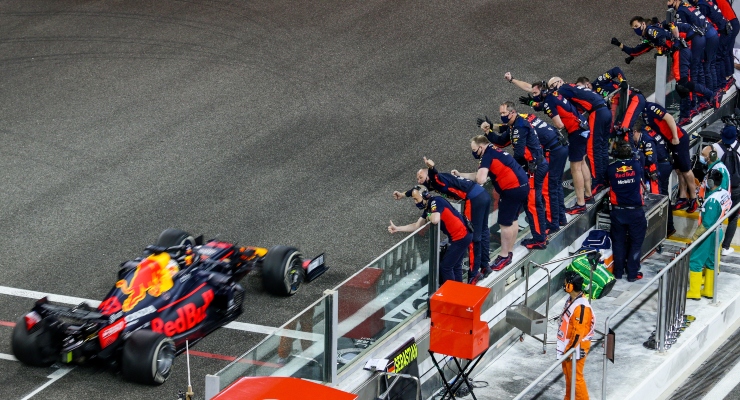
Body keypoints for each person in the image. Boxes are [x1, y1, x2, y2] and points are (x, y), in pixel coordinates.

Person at [393, 157, 492, 283]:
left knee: (473, 240)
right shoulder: (429, 200)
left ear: (428, 178)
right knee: (482, 232)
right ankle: (485, 266)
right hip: (482, 194)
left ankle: (474, 274)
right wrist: (402, 196)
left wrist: (431, 167)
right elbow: (416, 192)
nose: (419, 181)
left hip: (473, 200)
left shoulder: (436, 187)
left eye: (421, 178)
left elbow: (434, 217)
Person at [452, 136, 530, 271]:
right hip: (523, 185)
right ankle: (509, 251)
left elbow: (481, 179)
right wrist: (461, 174)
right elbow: (481, 174)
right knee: (514, 219)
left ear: (481, 147)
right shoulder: (495, 150)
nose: (473, 152)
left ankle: (504, 256)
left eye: (474, 149)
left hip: (511, 190)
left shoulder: (487, 156)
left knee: (505, 224)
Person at [487, 101, 549, 249]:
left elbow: (519, 154)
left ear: (513, 112)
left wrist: (509, 169)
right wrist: (487, 132)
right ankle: (541, 233)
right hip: (534, 166)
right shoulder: (514, 125)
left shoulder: (519, 127)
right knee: (534, 202)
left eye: (504, 113)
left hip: (535, 168)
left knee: (533, 203)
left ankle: (540, 239)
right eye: (500, 113)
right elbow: (501, 141)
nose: (501, 116)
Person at [388, 186, 472, 285]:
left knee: (446, 267)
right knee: (455, 265)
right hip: (462, 236)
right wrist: (398, 228)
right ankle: (458, 291)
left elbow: (435, 219)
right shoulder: (429, 207)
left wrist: (428, 216)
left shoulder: (435, 202)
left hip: (461, 237)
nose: (415, 202)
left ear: (424, 196)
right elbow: (416, 226)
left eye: (416, 199)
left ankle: (452, 293)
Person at [547, 76, 611, 194]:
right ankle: (605, 178)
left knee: (593, 149)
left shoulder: (563, 89)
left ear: (560, 81)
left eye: (552, 86)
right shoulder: (572, 88)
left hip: (597, 112)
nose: (551, 89)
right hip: (605, 110)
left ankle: (598, 182)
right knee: (602, 147)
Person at [641, 101, 699, 213]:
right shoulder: (643, 112)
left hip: (679, 139)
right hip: (671, 141)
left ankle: (693, 198)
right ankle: (682, 197)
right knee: (679, 170)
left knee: (686, 170)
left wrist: (675, 137)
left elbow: (669, 118)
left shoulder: (651, 107)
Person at [688, 169, 732, 299]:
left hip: (709, 234)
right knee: (711, 262)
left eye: (707, 179)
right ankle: (708, 290)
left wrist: (695, 237)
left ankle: (694, 292)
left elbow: (707, 223)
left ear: (711, 181)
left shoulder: (713, 201)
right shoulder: (724, 193)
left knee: (695, 260)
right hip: (719, 231)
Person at [608, 139, 647, 281]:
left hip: (618, 212)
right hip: (635, 212)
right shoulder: (636, 166)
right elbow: (640, 157)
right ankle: (632, 274)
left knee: (618, 242)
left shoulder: (611, 169)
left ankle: (618, 273)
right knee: (636, 243)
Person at [557, 270, 595, 400]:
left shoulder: (581, 307)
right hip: (569, 345)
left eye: (566, 282)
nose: (564, 283)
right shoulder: (572, 300)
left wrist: (569, 351)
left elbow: (578, 334)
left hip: (576, 347)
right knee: (569, 376)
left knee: (575, 378)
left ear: (570, 286)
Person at [643, 125, 677, 235]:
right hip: (667, 162)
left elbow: (650, 158)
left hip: (660, 165)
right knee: (664, 196)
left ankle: (665, 228)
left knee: (659, 197)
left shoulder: (645, 135)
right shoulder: (652, 128)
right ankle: (669, 227)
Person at [716, 124, 740, 255]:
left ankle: (713, 244)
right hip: (736, 188)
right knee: (733, 218)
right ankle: (725, 247)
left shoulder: (715, 148)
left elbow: (704, 156)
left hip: (719, 189)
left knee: (716, 217)